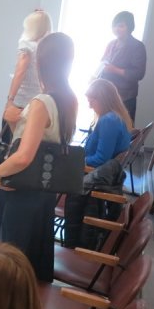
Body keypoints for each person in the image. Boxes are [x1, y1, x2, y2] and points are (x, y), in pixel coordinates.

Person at [0, 32, 79, 282]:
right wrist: (18, 120)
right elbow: (49, 139)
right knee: (28, 261)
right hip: (43, 192)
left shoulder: (42, 102)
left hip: (22, 191)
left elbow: (24, 156)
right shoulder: (69, 100)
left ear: (41, 62)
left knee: (8, 263)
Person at [0, 9, 52, 212]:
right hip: (38, 102)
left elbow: (20, 71)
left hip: (21, 102)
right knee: (28, 147)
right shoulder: (46, 47)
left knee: (10, 148)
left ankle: (2, 192)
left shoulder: (26, 45)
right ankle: (19, 189)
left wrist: (10, 99)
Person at [63, 79, 132, 248]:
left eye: (92, 101)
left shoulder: (109, 121)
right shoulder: (115, 118)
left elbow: (101, 159)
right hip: (103, 177)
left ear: (103, 99)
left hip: (95, 176)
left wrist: (76, 160)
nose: (89, 106)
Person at [98, 11, 146, 123]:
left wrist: (114, 69)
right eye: (114, 26)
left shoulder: (137, 46)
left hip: (125, 97)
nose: (117, 29)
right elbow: (103, 63)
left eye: (121, 26)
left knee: (122, 128)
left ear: (129, 27)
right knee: (103, 127)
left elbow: (138, 74)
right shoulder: (111, 44)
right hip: (106, 95)